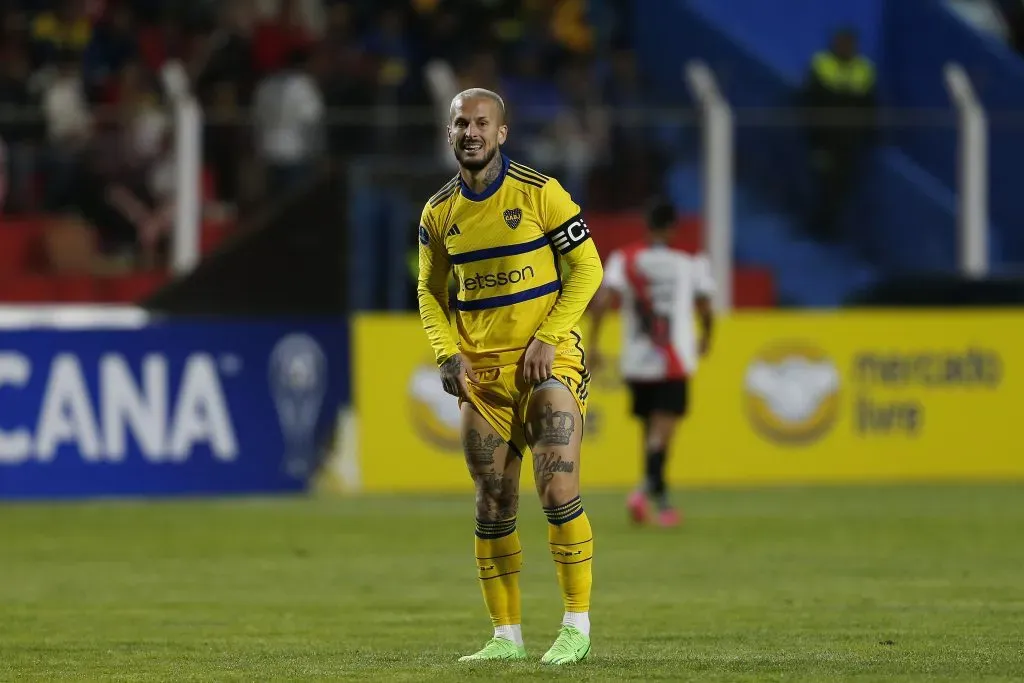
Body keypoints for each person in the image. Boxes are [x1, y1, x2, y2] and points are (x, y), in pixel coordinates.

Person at [417, 88, 603, 665]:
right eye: (460, 124)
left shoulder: (541, 193)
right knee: (492, 502)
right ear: (449, 133)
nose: (470, 132)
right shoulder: (438, 213)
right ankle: (506, 637)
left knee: (557, 487)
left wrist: (549, 335)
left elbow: (588, 267)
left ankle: (576, 626)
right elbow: (429, 290)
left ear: (502, 133)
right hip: (483, 379)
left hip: (549, 364)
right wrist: (447, 353)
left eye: (481, 123)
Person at [588, 199, 715, 526]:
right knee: (663, 434)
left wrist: (594, 344)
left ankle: (660, 502)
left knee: (651, 433)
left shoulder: (625, 259)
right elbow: (705, 306)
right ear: (673, 227)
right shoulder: (690, 262)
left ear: (648, 225)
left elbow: (602, 301)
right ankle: (644, 492)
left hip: (637, 360)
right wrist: (707, 336)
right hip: (673, 358)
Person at [801, 28, 876, 243]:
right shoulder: (822, 64)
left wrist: (869, 135)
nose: (845, 47)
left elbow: (870, 106)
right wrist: (813, 138)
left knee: (842, 186)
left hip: (849, 140)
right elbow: (810, 101)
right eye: (842, 43)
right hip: (824, 138)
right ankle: (816, 226)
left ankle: (830, 229)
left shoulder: (864, 69)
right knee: (821, 182)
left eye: (849, 44)